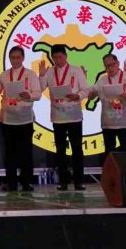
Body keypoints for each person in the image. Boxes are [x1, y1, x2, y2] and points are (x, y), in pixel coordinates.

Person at [38, 45, 89, 191]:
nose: (58, 60)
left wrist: (78, 96)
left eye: (60, 57)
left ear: (66, 56)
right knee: (60, 150)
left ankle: (79, 181)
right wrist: (41, 75)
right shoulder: (49, 72)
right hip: (58, 115)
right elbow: (40, 89)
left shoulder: (76, 70)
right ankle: (63, 181)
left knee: (77, 149)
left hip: (74, 115)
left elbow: (86, 89)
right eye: (55, 58)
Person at [0, 46, 41, 192]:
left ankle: (27, 182)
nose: (15, 60)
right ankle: (11, 183)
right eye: (12, 58)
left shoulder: (31, 75)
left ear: (23, 58)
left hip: (25, 119)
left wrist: (29, 96)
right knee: (9, 153)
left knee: (26, 152)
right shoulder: (4, 75)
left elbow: (37, 94)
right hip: (7, 119)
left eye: (18, 57)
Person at [89, 55, 126, 166]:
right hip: (108, 123)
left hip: (124, 122)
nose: (110, 68)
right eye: (107, 66)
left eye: (112, 65)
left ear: (117, 63)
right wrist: (91, 94)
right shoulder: (102, 79)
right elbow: (92, 93)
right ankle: (111, 178)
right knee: (109, 153)